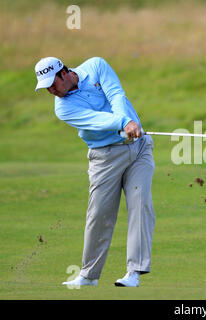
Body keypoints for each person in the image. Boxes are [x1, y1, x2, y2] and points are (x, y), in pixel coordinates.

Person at [34, 56, 156, 287]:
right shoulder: (63, 108)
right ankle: (89, 275)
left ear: (63, 72)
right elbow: (98, 120)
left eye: (52, 83)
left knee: (140, 205)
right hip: (105, 157)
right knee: (99, 214)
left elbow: (116, 94)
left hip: (139, 148)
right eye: (46, 87)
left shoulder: (96, 66)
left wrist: (128, 121)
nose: (50, 90)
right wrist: (123, 124)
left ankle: (134, 272)